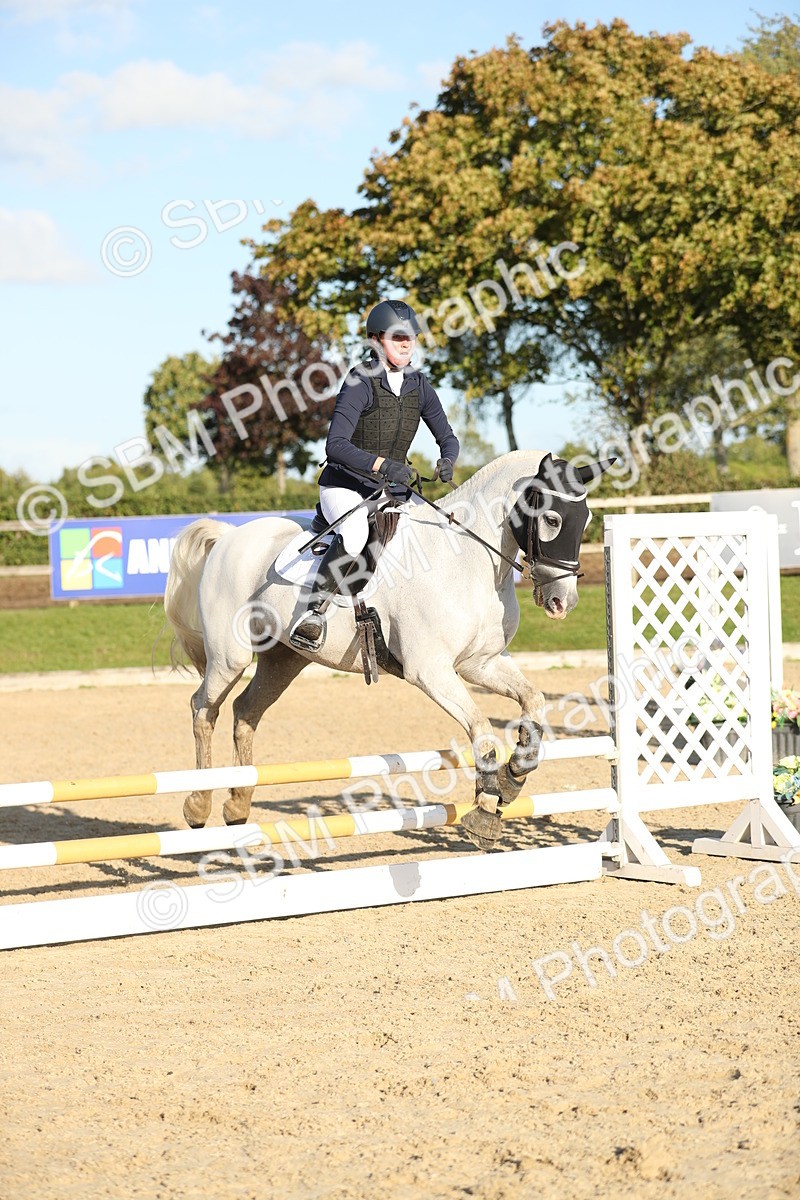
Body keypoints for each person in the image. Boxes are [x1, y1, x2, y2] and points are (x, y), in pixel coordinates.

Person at [289, 299, 460, 650]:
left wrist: (448, 458)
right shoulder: (359, 382)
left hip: (392, 492)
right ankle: (313, 613)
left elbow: (447, 436)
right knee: (353, 533)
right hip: (345, 486)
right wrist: (382, 464)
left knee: (432, 533)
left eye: (411, 337)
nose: (406, 343)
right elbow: (334, 445)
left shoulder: (419, 385)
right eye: (398, 336)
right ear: (375, 340)